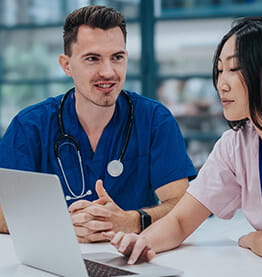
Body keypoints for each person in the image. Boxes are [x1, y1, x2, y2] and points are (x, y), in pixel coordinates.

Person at [104, 16, 262, 267]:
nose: (221, 84)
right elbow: (181, 221)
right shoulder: (236, 143)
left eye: (234, 69)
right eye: (219, 70)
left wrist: (253, 239)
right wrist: (142, 242)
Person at [0, 5, 197, 242]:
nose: (108, 72)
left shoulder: (154, 120)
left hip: (133, 259)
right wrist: (63, 224)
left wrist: (131, 221)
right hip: (53, 259)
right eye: (93, 59)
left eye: (117, 57)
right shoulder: (30, 126)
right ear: (66, 64)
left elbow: (182, 206)